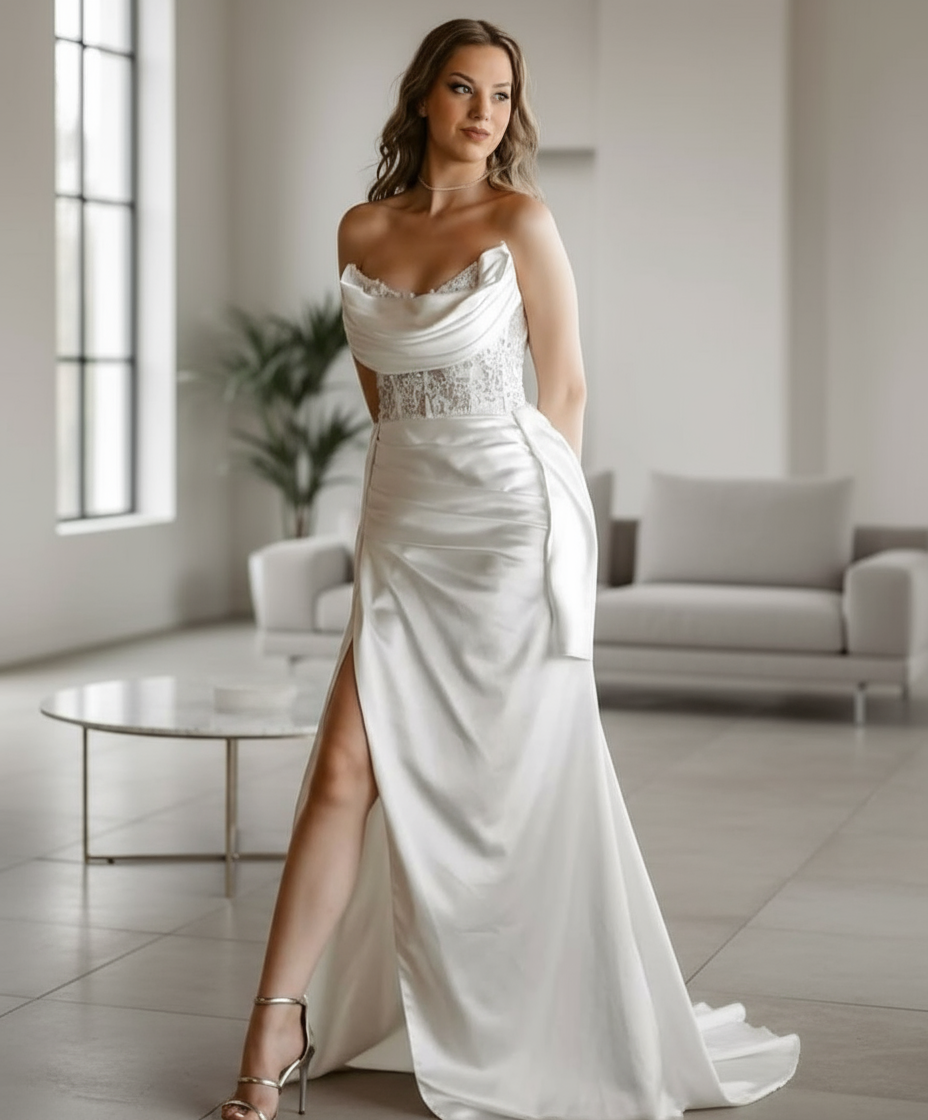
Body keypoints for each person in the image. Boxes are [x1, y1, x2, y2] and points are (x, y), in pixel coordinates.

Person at [221, 18, 799, 1120]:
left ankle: (526, 1013)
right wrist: (390, 520)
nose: (484, 110)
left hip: (511, 525)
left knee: (510, 788)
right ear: (424, 101)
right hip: (403, 522)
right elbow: (381, 402)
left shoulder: (523, 221)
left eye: (500, 93)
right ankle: (273, 1020)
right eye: (462, 88)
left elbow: (566, 389)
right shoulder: (358, 230)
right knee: (344, 769)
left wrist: (556, 549)